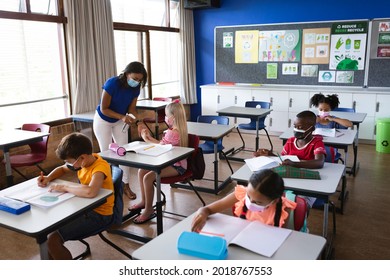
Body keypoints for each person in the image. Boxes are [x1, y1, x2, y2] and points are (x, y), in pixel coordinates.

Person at [37, 132, 114, 260]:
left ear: (82, 158)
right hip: (84, 208)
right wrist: (48, 177)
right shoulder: (83, 163)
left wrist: (64, 187)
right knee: (47, 238)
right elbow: (62, 169)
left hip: (99, 215)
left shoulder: (100, 167)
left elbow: (91, 192)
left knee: (52, 241)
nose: (70, 165)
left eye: (70, 162)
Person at [93, 61, 148, 200]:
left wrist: (137, 121)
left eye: (140, 80)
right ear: (127, 73)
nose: (137, 82)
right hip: (103, 120)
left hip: (120, 121)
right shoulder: (112, 83)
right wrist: (122, 116)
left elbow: (131, 109)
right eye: (135, 78)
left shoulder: (136, 88)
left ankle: (125, 185)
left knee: (124, 152)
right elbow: (104, 109)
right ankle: (107, 186)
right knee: (105, 154)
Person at [129, 100, 188, 224]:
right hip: (170, 162)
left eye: (167, 116)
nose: (165, 118)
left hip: (177, 166)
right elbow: (162, 145)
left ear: (173, 117)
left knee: (148, 178)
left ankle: (149, 210)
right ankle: (144, 201)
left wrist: (146, 138)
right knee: (141, 171)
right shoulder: (177, 129)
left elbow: (160, 147)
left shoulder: (172, 133)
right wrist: (150, 138)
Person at [253, 110, 326, 207]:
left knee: (301, 203)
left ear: (311, 128)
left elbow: (319, 162)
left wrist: (294, 164)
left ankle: (300, 220)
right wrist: (270, 154)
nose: (296, 129)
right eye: (295, 126)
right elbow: (284, 160)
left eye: (300, 127)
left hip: (309, 182)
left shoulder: (317, 142)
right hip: (290, 179)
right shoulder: (291, 141)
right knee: (270, 195)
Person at [191, 169, 296, 232]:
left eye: (258, 202)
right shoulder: (241, 194)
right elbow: (207, 209)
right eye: (249, 196)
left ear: (274, 200)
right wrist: (202, 213)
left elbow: (280, 236)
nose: (250, 202)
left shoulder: (283, 209)